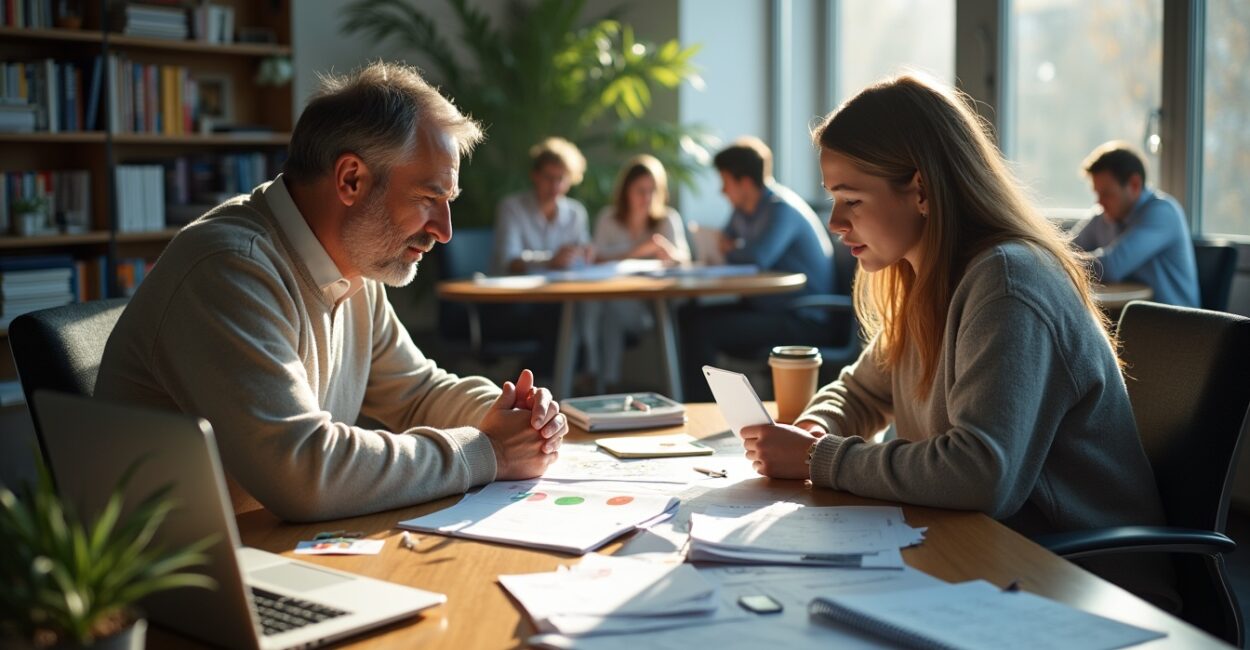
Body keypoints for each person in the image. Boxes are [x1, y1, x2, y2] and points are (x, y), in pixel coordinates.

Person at [739, 75, 1175, 608]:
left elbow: (978, 473)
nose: (835, 222)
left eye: (851, 199)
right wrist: (815, 427)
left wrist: (817, 458)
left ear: (921, 190)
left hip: (1085, 584)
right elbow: (861, 390)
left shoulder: (1007, 283)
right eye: (834, 198)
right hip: (994, 556)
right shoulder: (926, 280)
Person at [96, 62, 568, 522]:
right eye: (429, 198)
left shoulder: (355, 267)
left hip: (267, 546)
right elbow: (305, 472)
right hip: (172, 566)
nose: (444, 231)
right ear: (350, 180)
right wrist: (488, 451)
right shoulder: (229, 268)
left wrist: (514, 416)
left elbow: (416, 394)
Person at [679, 136, 835, 401]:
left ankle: (702, 408)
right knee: (687, 315)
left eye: (725, 182)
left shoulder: (782, 210)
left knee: (703, 330)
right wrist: (728, 248)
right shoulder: (743, 211)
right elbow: (727, 244)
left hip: (803, 317)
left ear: (745, 183)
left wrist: (730, 249)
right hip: (768, 308)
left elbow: (756, 258)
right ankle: (697, 402)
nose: (722, 191)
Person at [587, 154, 691, 389]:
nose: (647, 198)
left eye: (653, 190)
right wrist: (637, 250)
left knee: (608, 306)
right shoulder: (609, 219)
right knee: (605, 306)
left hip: (653, 308)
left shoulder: (667, 219)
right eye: (640, 191)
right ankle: (604, 380)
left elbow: (685, 261)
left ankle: (598, 378)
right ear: (626, 191)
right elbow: (595, 258)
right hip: (615, 303)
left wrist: (670, 254)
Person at [1072, 141, 1199, 307]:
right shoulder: (1103, 216)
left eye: (1107, 194)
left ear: (1134, 184)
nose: (1100, 202)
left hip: (1175, 320)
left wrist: (1064, 262)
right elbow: (1067, 248)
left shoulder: (1164, 212)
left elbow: (1111, 266)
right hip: (1129, 316)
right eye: (1098, 194)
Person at [493, 137, 594, 274]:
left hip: (562, 285)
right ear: (535, 176)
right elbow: (509, 260)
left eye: (561, 178)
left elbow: (584, 253)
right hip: (517, 286)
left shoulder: (576, 212)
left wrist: (585, 253)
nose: (555, 186)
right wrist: (550, 261)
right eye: (548, 177)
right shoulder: (511, 208)